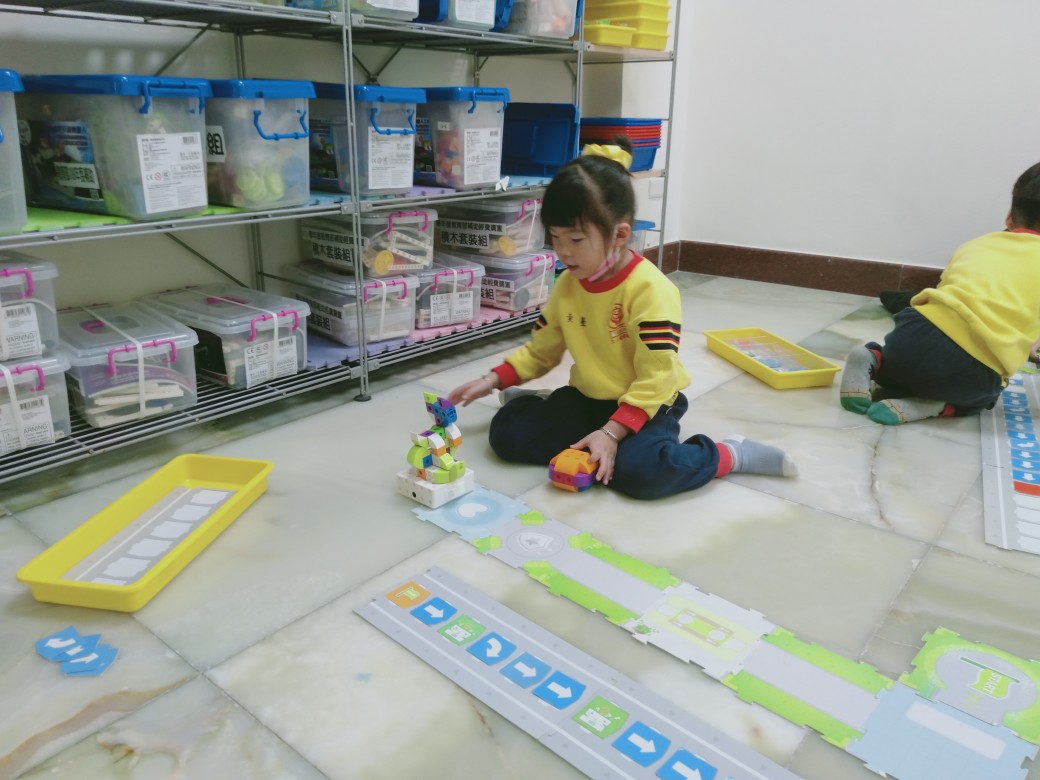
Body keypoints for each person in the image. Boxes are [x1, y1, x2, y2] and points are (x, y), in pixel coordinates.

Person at [447, 142, 797, 500]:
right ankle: (537, 402)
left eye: (576, 239)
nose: (563, 251)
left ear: (620, 235)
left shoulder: (650, 291)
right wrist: (492, 380)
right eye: (555, 237)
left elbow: (657, 376)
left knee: (640, 473)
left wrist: (612, 432)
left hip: (649, 401)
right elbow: (541, 351)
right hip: (589, 396)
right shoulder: (568, 284)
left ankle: (728, 454)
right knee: (506, 436)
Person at [840, 161, 1040, 425]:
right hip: (970, 371)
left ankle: (873, 360)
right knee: (986, 395)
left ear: (1009, 218)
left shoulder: (977, 245)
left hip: (911, 334)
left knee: (901, 368)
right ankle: (933, 405)